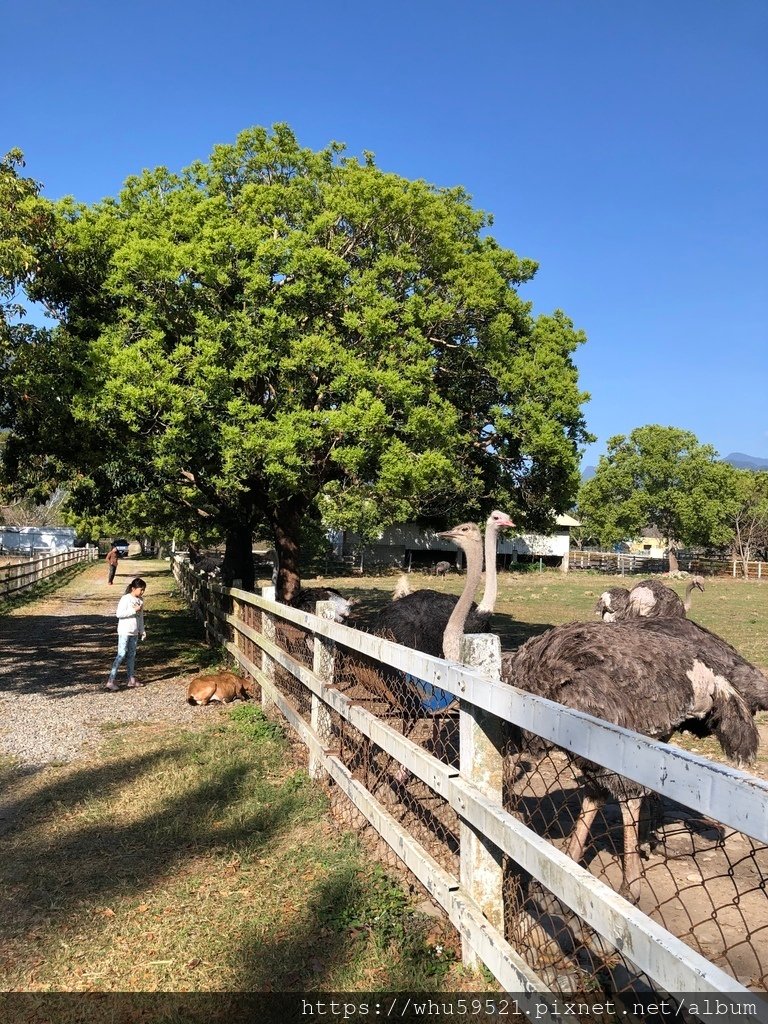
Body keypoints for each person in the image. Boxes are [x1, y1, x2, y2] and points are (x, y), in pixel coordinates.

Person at [105, 577, 147, 691]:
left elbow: (141, 617)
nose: (142, 592)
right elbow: (119, 614)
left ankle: (131, 679)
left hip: (134, 632)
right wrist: (134, 610)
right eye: (140, 589)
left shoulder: (141, 600)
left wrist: (142, 630)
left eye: (143, 590)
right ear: (133, 588)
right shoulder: (125, 599)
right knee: (121, 654)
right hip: (124, 631)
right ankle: (111, 680)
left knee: (132, 655)